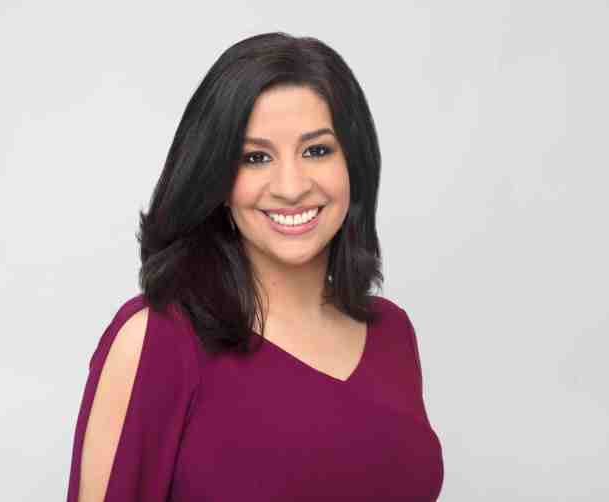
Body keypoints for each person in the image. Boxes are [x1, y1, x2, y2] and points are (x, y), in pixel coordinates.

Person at [66, 31, 444, 501]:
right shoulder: (161, 339)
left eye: (316, 150)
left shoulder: (392, 334)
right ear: (217, 180)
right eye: (256, 157)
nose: (291, 187)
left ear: (354, 165)